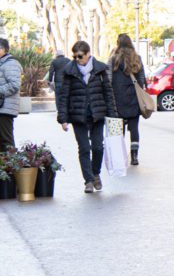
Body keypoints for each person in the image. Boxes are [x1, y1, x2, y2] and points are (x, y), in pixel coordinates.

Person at [56, 40, 118, 193]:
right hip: (78, 115)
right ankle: (88, 180)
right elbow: (64, 96)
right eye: (75, 56)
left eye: (80, 56)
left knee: (97, 147)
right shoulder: (69, 71)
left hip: (97, 114)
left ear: (88, 54)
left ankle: (95, 173)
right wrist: (63, 119)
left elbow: (108, 94)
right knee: (84, 148)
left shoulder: (100, 69)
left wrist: (113, 117)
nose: (77, 59)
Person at [108, 33, 147, 166]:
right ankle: (134, 156)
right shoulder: (137, 58)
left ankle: (119, 155)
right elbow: (141, 79)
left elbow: (108, 79)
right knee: (134, 127)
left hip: (117, 98)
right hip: (133, 97)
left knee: (117, 129)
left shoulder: (113, 59)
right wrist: (138, 91)